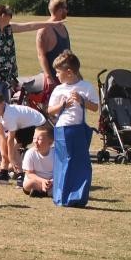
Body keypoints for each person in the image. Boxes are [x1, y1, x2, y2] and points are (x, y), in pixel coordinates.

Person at [0, 4, 65, 101]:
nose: (11, 17)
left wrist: (51, 24)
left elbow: (29, 26)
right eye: (10, 14)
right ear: (3, 16)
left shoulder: (9, 29)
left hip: (8, 79)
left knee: (6, 110)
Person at [47, 51, 99, 207]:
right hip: (63, 129)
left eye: (58, 71)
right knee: (63, 161)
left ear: (69, 72)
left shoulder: (85, 87)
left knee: (80, 163)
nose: (56, 75)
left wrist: (82, 100)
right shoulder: (58, 90)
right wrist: (62, 105)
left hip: (78, 129)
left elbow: (95, 107)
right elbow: (50, 110)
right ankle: (61, 196)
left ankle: (77, 196)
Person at [0, 93, 48, 178]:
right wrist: (3, 154)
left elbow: (11, 138)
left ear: (3, 103)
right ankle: (4, 173)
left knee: (14, 149)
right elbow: (0, 134)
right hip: (24, 126)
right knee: (7, 148)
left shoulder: (9, 115)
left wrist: (11, 158)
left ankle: (20, 175)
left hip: (37, 124)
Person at [36, 0, 72, 91]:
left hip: (66, 77)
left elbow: (68, 53)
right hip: (53, 79)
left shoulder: (63, 27)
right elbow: (41, 55)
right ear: (60, 10)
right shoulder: (44, 29)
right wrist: (49, 78)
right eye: (65, 8)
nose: (67, 11)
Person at [21, 126, 55, 197]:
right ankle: (45, 192)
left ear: (50, 142)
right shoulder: (30, 153)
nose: (35, 141)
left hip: (52, 182)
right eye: (34, 138)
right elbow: (29, 173)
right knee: (29, 184)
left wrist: (52, 181)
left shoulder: (56, 154)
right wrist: (42, 181)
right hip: (36, 181)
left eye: (39, 139)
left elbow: (60, 172)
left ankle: (42, 192)